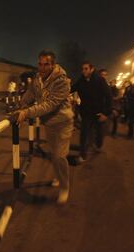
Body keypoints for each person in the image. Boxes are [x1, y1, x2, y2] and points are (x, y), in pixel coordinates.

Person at [17, 50, 74, 204]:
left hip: (63, 123)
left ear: (53, 65)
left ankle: (64, 187)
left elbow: (50, 104)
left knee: (59, 156)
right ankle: (58, 175)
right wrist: (21, 105)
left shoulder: (62, 81)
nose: (42, 67)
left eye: (46, 64)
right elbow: (31, 92)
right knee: (54, 154)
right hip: (49, 123)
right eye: (40, 64)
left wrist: (27, 112)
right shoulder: (38, 78)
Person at [72, 62, 111, 161]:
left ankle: (98, 144)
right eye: (83, 69)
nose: (83, 71)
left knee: (98, 133)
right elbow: (71, 89)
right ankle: (82, 154)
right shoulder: (81, 81)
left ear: (92, 69)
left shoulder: (100, 80)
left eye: (86, 69)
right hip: (85, 112)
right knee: (83, 134)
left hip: (98, 112)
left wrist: (106, 113)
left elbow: (108, 96)